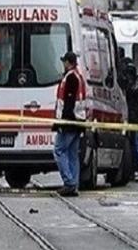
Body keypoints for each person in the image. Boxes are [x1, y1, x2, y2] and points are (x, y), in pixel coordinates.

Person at [53, 51, 85, 197]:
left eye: (64, 62)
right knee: (72, 153)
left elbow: (68, 102)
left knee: (59, 150)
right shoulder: (78, 76)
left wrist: (62, 122)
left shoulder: (71, 78)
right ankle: (74, 183)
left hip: (70, 121)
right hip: (78, 120)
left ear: (68, 62)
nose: (63, 64)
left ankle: (69, 182)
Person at [118, 49, 138, 182]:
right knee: (132, 142)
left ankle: (131, 170)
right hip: (132, 114)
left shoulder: (126, 77)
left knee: (129, 142)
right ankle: (134, 170)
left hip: (127, 113)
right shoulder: (136, 79)